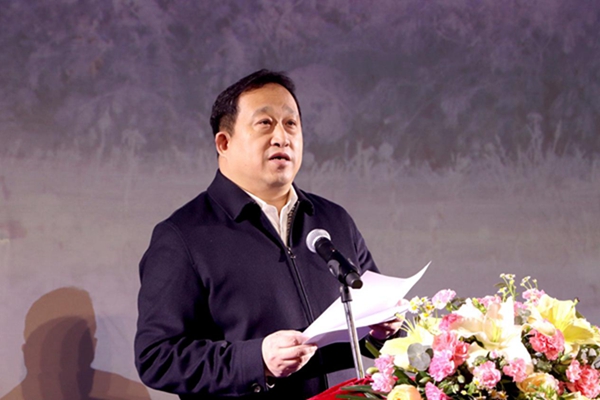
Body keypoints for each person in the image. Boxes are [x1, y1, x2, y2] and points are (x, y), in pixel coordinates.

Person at [134, 69, 401, 399]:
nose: (282, 137)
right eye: (265, 123)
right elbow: (157, 358)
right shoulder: (183, 236)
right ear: (224, 143)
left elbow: (373, 323)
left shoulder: (334, 219)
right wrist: (256, 360)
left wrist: (382, 332)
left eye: (291, 124)